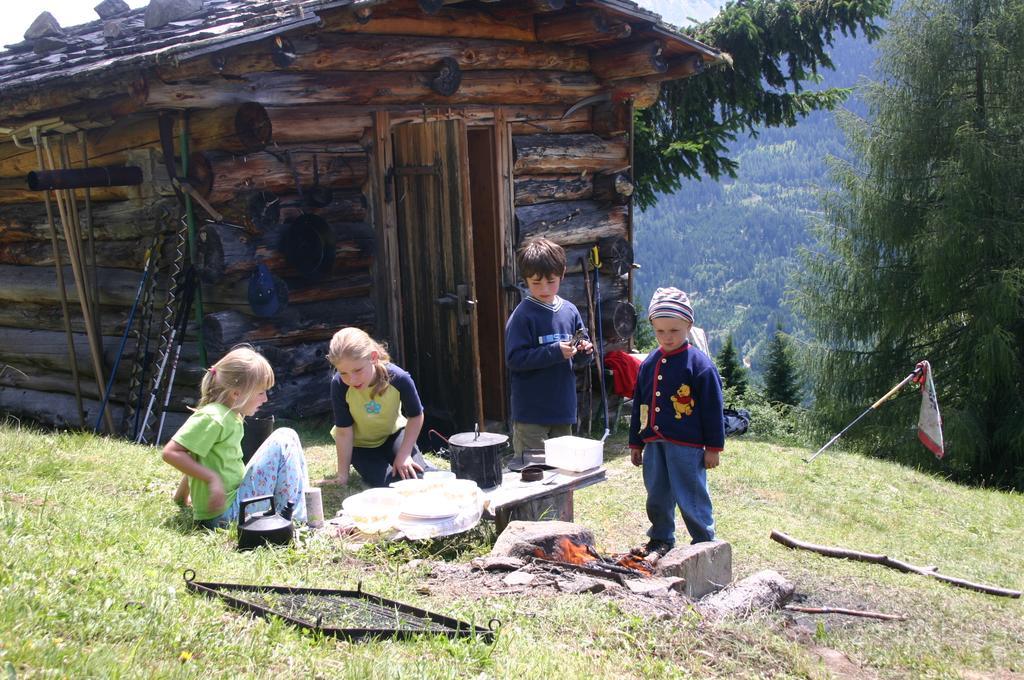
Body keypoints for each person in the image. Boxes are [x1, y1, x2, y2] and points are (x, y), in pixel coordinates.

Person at [162, 346, 309, 528]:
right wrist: (211, 478)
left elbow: (196, 454)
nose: (265, 399)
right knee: (285, 436)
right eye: (260, 392)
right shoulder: (214, 416)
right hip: (229, 512)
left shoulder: (229, 416)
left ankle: (295, 513)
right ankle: (296, 521)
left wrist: (181, 497)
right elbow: (171, 452)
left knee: (289, 437)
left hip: (231, 506)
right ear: (236, 394)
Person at [629, 287, 724, 554]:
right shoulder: (649, 363)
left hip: (688, 445)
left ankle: (704, 542)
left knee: (691, 495)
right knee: (657, 493)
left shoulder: (699, 365)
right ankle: (661, 537)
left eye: (674, 331)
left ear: (688, 326)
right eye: (660, 331)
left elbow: (712, 409)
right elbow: (640, 404)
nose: (667, 337)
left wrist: (713, 448)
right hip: (654, 443)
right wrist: (636, 442)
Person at [505, 237, 593, 460]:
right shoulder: (523, 316)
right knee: (534, 473)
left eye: (551, 281)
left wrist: (584, 352)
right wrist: (555, 352)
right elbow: (515, 359)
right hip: (531, 415)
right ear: (525, 279)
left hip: (562, 411)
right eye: (536, 283)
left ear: (562, 274)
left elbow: (580, 358)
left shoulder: (570, 311)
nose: (544, 288)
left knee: (563, 471)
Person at [327, 327, 433, 487]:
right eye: (344, 373)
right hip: (361, 447)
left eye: (357, 370)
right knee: (390, 483)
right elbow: (343, 431)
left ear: (373, 358)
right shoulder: (339, 385)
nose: (352, 379)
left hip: (394, 436)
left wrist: (404, 454)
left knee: (416, 476)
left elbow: (416, 415)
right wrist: (342, 476)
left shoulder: (399, 378)